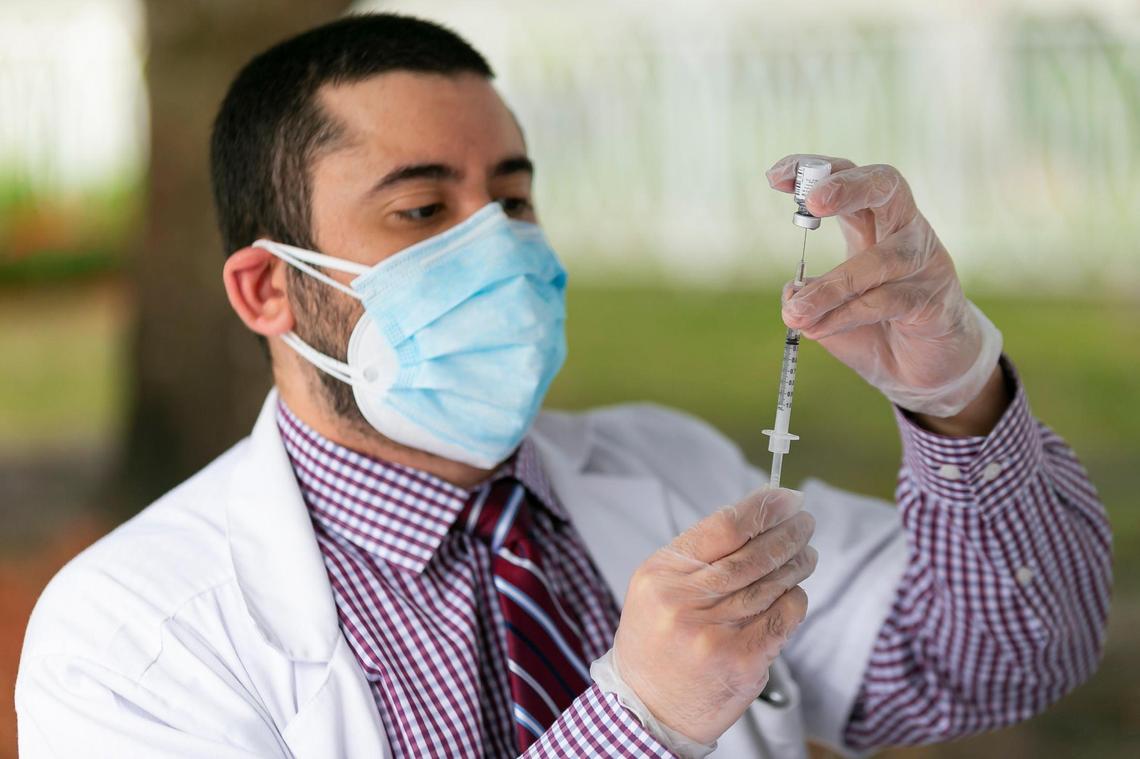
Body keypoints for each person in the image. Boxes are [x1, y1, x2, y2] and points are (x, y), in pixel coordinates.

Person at [16, 13, 1111, 759]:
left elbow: (1011, 655)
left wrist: (958, 396)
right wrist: (641, 720)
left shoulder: (670, 471)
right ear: (265, 290)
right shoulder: (130, 635)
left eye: (514, 199)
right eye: (421, 211)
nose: (495, 250)